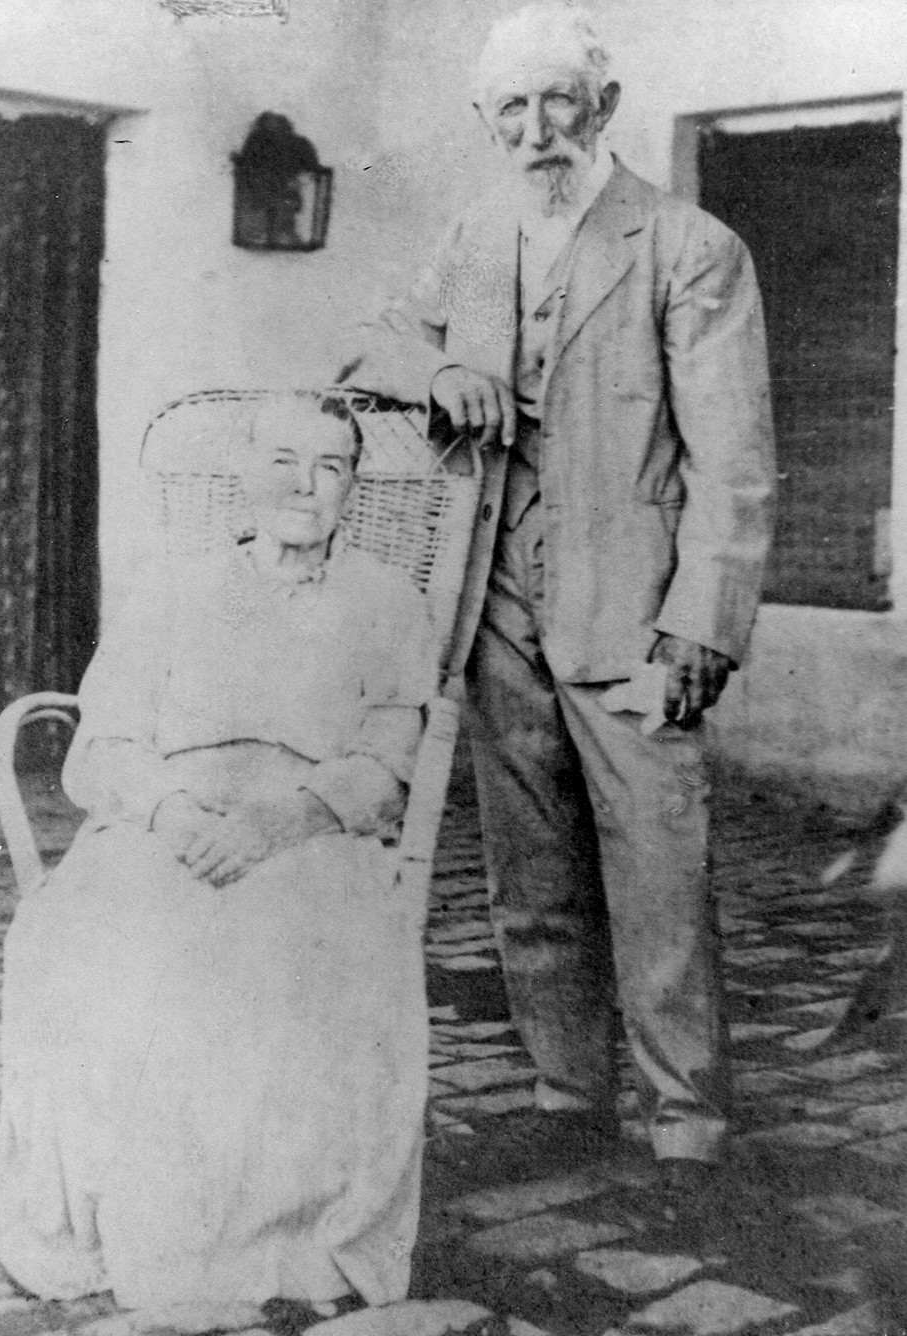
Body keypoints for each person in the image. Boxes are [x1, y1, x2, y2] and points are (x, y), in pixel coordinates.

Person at [341, 1, 775, 1225]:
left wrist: (700, 627)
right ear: (487, 121)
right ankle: (565, 1095)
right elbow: (370, 345)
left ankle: (688, 1131)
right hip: (496, 606)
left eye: (557, 103)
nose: (537, 130)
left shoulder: (688, 246)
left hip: (634, 614)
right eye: (511, 109)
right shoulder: (476, 241)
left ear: (604, 107)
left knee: (658, 871)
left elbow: (734, 461)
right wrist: (439, 368)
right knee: (529, 876)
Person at [0, 393, 437, 1314]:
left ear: (353, 488)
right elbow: (105, 742)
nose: (305, 485)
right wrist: (174, 815)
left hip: (310, 832)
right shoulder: (172, 588)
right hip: (169, 822)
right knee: (94, 934)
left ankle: (266, 1233)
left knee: (278, 946)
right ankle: (124, 1218)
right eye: (282, 461)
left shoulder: (388, 601)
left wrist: (280, 823)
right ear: (243, 475)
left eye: (330, 467)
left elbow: (389, 763)